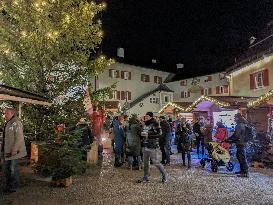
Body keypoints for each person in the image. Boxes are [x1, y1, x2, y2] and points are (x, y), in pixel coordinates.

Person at [1, 107, 27, 193]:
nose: (5, 115)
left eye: (7, 113)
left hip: (14, 152)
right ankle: (8, 186)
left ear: (12, 113)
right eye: (5, 113)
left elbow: (19, 138)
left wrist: (15, 149)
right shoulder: (9, 123)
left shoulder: (16, 123)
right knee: (7, 169)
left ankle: (13, 187)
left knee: (12, 169)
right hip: (7, 151)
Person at [138, 112, 168, 183]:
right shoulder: (145, 123)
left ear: (151, 117)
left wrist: (149, 136)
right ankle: (146, 177)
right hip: (145, 145)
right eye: (145, 116)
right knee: (145, 163)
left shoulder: (155, 123)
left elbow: (159, 134)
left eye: (147, 116)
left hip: (153, 146)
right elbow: (144, 132)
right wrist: (141, 134)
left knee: (156, 162)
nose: (146, 117)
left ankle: (165, 175)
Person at [226, 113, 249, 178]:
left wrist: (229, 140)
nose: (234, 119)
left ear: (238, 118)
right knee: (239, 157)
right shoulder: (242, 124)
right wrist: (229, 139)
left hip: (240, 143)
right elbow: (236, 135)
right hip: (241, 143)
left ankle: (245, 173)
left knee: (242, 158)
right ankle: (242, 171)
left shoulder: (239, 125)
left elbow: (236, 135)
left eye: (235, 117)